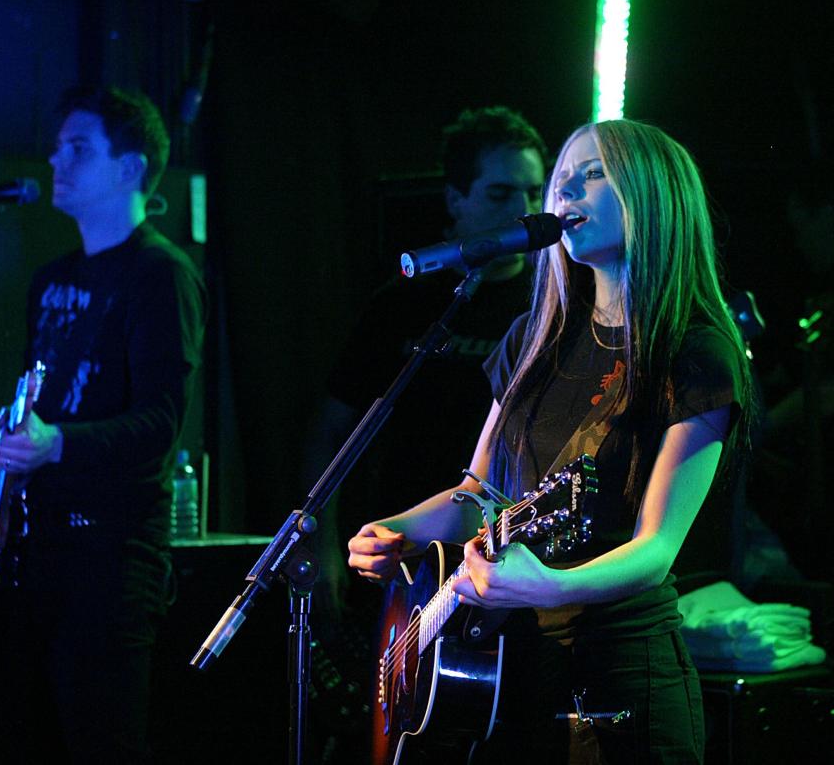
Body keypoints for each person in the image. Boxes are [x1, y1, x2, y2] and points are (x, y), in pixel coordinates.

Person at [347, 119, 755, 763]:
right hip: (519, 670)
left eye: (592, 175)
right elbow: (478, 494)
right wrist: (402, 527)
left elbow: (656, 550)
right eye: (561, 182)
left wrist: (551, 587)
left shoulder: (693, 353)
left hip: (621, 676)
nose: (566, 194)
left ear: (653, 195)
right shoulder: (531, 340)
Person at [0, 86, 206, 762]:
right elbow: (41, 414)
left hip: (108, 563)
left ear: (131, 167)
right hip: (32, 557)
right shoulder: (50, 279)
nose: (57, 160)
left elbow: (159, 424)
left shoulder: (160, 275)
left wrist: (57, 448)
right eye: (57, 148)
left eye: (78, 148)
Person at [306, 106, 548, 620]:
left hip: (502, 556)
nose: (525, 208)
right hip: (403, 552)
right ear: (455, 199)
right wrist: (322, 550)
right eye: (502, 193)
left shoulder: (547, 307)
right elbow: (333, 431)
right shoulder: (402, 305)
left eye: (534, 191)